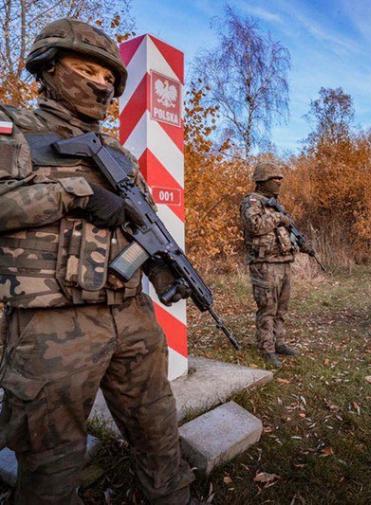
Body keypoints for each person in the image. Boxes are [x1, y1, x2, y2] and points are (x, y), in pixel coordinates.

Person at [0, 18, 195, 505]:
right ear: (48, 67)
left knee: (157, 424)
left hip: (129, 312)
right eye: (87, 69)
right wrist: (76, 193)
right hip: (51, 324)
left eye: (109, 78)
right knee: (50, 454)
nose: (100, 84)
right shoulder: (13, 128)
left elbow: (139, 223)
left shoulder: (118, 154)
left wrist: (164, 264)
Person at [240, 161, 306, 368]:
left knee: (281, 308)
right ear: (261, 181)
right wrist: (279, 218)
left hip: (283, 261)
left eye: (280, 178)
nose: (279, 182)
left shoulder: (275, 203)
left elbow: (287, 230)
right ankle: (266, 348)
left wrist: (302, 244)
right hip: (264, 263)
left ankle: (279, 342)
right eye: (274, 179)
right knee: (267, 307)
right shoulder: (252, 202)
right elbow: (255, 226)